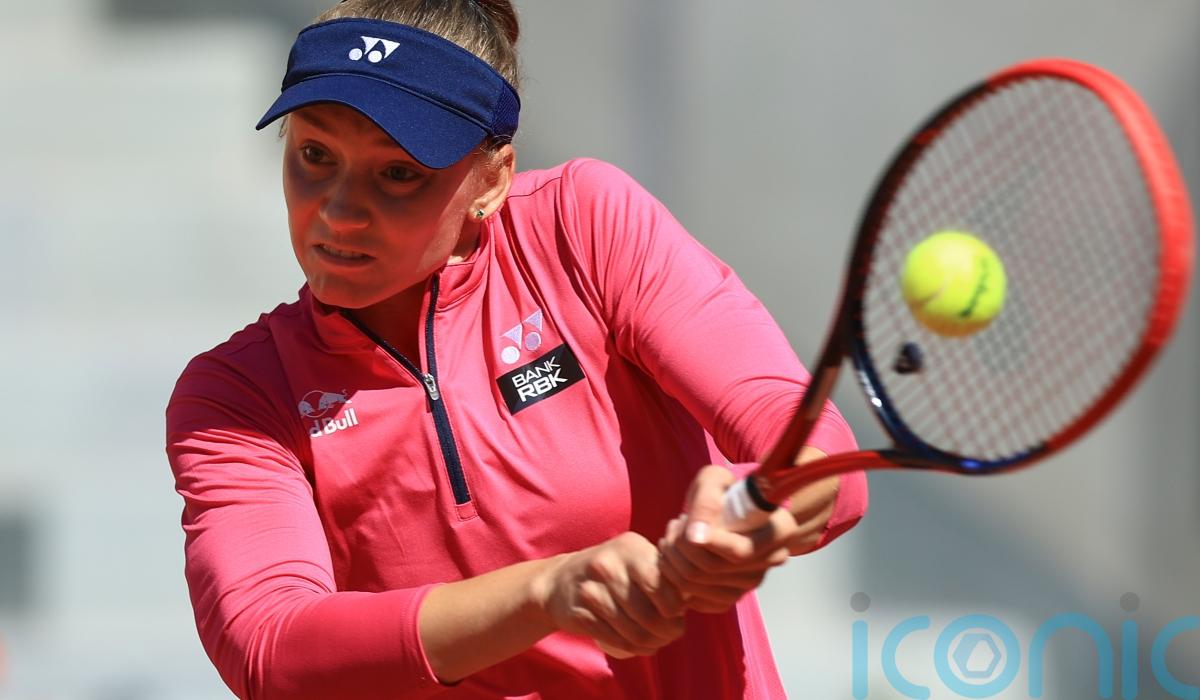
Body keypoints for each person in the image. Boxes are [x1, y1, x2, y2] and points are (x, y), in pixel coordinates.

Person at [165, 1, 868, 698]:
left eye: (399, 173)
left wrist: (762, 507)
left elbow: (812, 448)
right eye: (315, 156)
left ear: (493, 179)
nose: (339, 211)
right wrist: (545, 593)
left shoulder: (582, 226)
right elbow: (271, 650)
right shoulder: (236, 393)